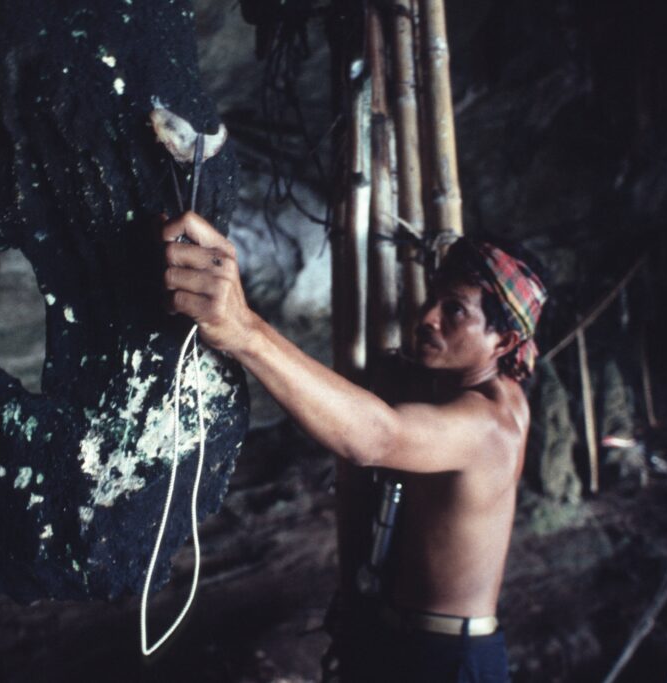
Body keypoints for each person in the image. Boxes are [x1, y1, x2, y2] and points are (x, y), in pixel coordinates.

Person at [161, 211, 547, 683]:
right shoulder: (460, 386)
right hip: (404, 641)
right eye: (434, 299)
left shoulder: (491, 422)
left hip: (446, 663)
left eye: (455, 311)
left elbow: (378, 437)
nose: (427, 317)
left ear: (503, 340)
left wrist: (245, 331)